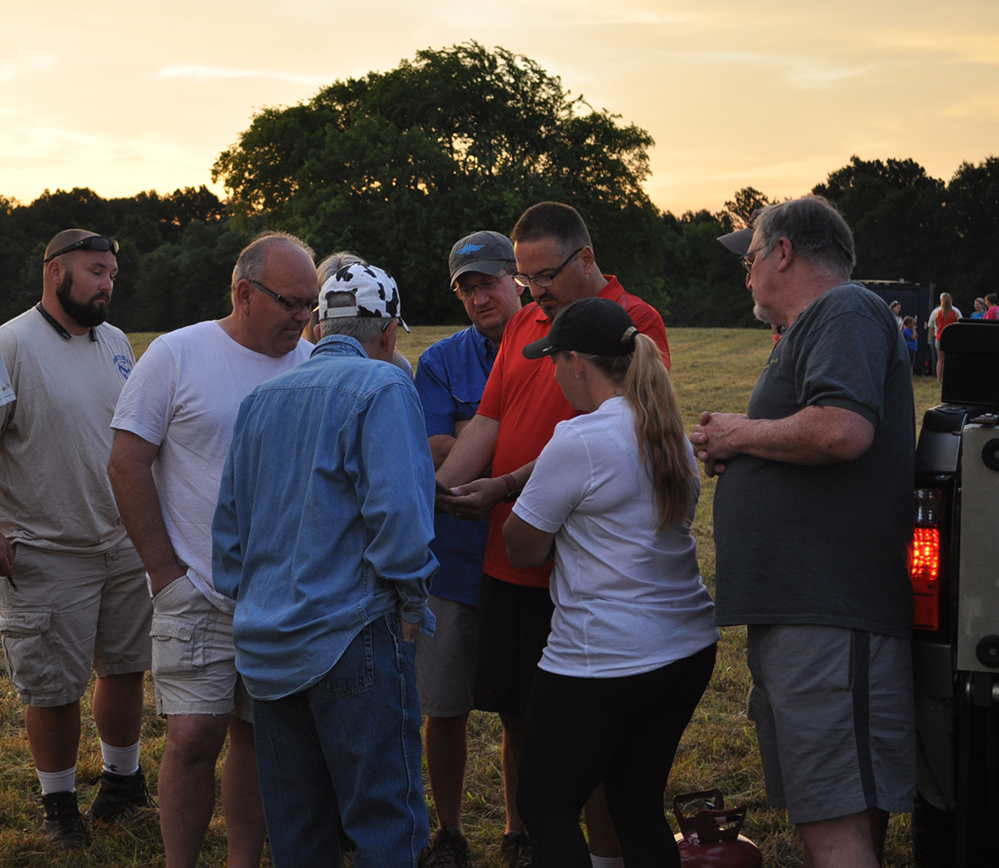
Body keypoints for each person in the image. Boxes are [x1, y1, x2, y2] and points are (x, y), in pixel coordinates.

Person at [436, 202, 670, 868]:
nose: (533, 290)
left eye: (544, 274)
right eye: (526, 276)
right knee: (520, 717)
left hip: (577, 566)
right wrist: (442, 493)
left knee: (587, 738)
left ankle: (599, 854)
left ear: (586, 258)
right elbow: (487, 419)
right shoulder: (524, 326)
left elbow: (613, 433)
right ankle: (528, 834)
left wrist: (507, 485)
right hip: (510, 558)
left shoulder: (633, 321)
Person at [691, 196, 915, 868]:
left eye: (751, 256)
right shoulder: (819, 322)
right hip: (811, 612)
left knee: (833, 821)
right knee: (839, 811)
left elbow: (841, 430)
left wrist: (741, 432)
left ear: (783, 251)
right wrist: (748, 446)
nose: (747, 273)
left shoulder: (841, 309)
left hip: (828, 612)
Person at [212, 262, 438, 868]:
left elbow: (229, 531)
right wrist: (413, 605)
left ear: (316, 324)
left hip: (267, 642)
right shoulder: (385, 388)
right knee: (384, 818)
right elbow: (400, 520)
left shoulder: (260, 400)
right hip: (353, 631)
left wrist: (253, 603)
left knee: (298, 827)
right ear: (388, 331)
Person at [108, 232, 317, 868]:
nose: (303, 319)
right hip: (195, 588)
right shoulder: (177, 354)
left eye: (311, 305)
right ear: (244, 293)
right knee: (193, 736)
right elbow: (126, 461)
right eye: (291, 303)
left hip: (280, 595)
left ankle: (243, 862)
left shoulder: (310, 365)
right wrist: (165, 574)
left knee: (259, 737)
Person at [504, 298, 718, 868]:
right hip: (686, 648)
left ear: (576, 360)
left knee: (545, 804)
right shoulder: (665, 429)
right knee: (635, 801)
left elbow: (520, 546)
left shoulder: (578, 440)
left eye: (552, 359)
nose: (551, 372)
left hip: (603, 658)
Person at [0, 230, 152, 849]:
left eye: (112, 273)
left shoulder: (116, 343)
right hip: (47, 546)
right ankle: (58, 803)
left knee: (125, 666)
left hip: (121, 540)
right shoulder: (11, 343)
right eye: (95, 272)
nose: (107, 284)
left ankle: (122, 781)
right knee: (54, 685)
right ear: (55, 272)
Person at [414, 231, 523, 867]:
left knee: (520, 707)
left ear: (520, 279)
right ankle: (450, 832)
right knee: (444, 706)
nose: (480, 296)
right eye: (467, 287)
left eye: (489, 282)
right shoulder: (440, 360)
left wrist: (469, 431)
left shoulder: (547, 347)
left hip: (526, 558)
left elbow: (565, 438)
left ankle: (519, 829)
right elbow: (430, 452)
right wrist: (505, 441)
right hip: (452, 562)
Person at [934, 292, 959, 383]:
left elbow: (936, 324)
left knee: (940, 360)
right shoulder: (954, 313)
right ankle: (947, 379)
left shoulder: (938, 313)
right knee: (949, 359)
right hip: (950, 338)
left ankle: (938, 379)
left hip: (940, 336)